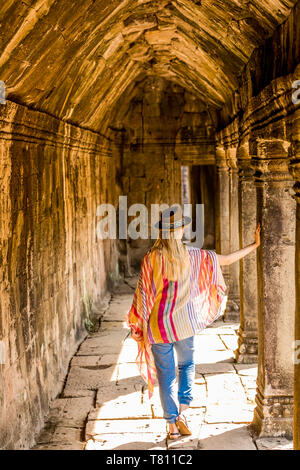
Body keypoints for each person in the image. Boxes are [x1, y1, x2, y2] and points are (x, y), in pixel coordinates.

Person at [125, 205, 261, 440]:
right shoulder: (193, 256)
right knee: (186, 366)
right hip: (184, 325)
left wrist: (138, 326)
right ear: (178, 231)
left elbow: (143, 294)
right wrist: (254, 245)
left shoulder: (151, 258)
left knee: (165, 375)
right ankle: (184, 412)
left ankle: (171, 424)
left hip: (159, 327)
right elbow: (226, 260)